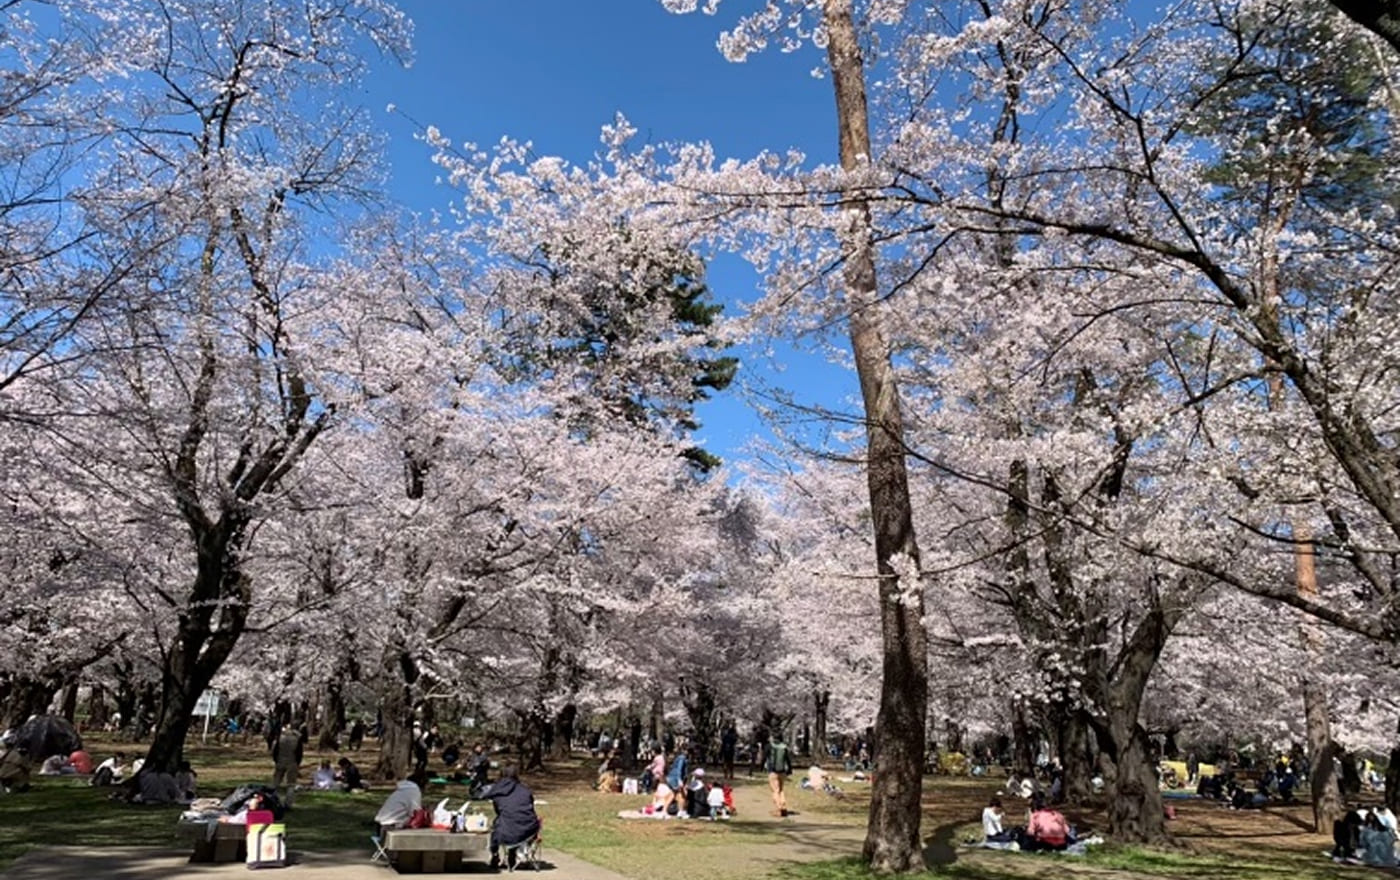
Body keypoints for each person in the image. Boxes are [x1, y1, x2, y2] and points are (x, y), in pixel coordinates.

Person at [476, 765, 541, 869]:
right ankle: (512, 851)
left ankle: (495, 855)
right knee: (510, 822)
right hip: (529, 828)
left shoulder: (497, 790)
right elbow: (530, 807)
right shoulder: (525, 790)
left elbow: (498, 811)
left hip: (507, 830)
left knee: (499, 826)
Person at [272, 723, 304, 808]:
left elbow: (275, 751)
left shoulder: (280, 737)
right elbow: (299, 753)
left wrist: (276, 761)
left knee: (276, 782)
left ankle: (273, 800)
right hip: (292, 762)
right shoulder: (297, 739)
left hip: (280, 761)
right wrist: (297, 763)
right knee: (291, 784)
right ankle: (288, 803)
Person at [764, 730, 794, 817]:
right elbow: (788, 760)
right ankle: (783, 806)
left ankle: (779, 808)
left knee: (775, 790)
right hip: (782, 771)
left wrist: (761, 767)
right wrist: (790, 770)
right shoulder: (784, 747)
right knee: (781, 790)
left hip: (773, 771)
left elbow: (764, 757)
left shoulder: (769, 746)